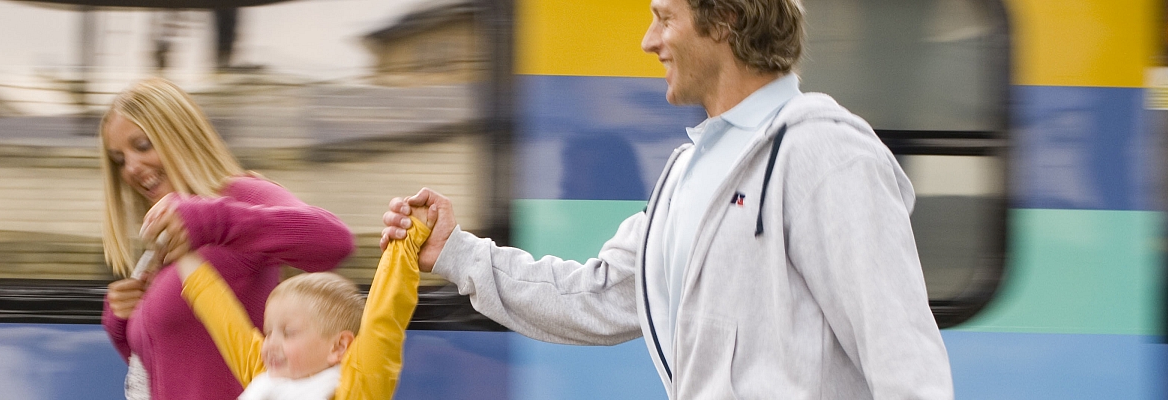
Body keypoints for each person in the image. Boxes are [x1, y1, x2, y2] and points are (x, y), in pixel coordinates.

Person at [378, 0, 953, 398]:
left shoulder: (826, 153)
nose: (649, 40)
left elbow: (902, 355)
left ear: (724, 19)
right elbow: (597, 295)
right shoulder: (688, 171)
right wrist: (454, 254)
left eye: (664, 18)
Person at [101, 77, 354, 400]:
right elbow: (179, 375)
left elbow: (335, 241)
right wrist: (123, 327)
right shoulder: (163, 248)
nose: (132, 168)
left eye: (142, 145)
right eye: (120, 159)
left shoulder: (239, 195)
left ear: (180, 136)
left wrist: (212, 220)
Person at [167, 211, 432, 400]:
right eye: (269, 332)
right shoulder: (268, 378)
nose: (268, 344)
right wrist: (183, 253)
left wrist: (408, 239)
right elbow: (223, 319)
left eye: (288, 332)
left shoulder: (356, 390)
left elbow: (383, 319)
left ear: (339, 347)